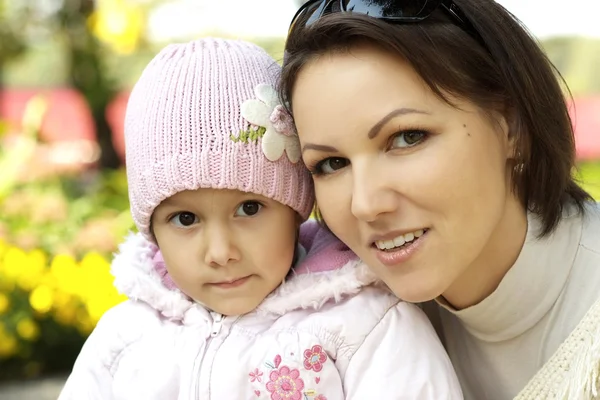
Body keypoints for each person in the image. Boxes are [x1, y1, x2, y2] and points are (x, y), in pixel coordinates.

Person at [57, 37, 462, 399]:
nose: (220, 252)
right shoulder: (124, 340)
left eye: (249, 208)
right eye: (184, 219)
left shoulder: (368, 328)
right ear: (153, 233)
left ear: (295, 209)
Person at [280, 0, 600, 399]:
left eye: (407, 137)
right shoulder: (335, 316)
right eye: (331, 163)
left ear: (511, 124)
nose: (365, 204)